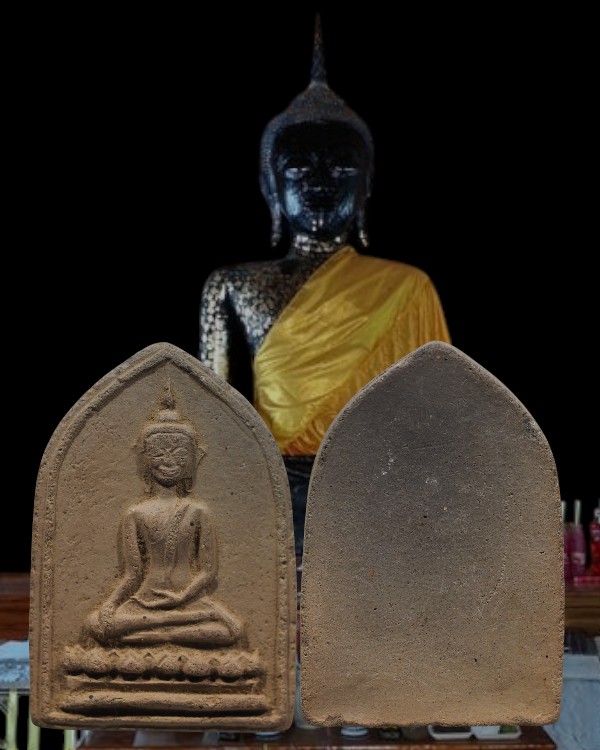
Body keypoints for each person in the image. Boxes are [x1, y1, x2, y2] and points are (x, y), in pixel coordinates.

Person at [198, 17, 451, 555]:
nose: (318, 182)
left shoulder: (408, 287)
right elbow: (214, 422)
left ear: (367, 186)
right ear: (270, 186)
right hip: (270, 490)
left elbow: (435, 416)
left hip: (375, 486)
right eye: (298, 168)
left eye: (341, 168)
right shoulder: (231, 286)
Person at [87, 383, 243, 646]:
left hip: (189, 600)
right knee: (97, 623)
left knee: (231, 631)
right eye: (158, 454)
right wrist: (111, 604)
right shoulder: (136, 514)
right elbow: (133, 574)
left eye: (179, 454)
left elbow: (207, 571)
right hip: (145, 601)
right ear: (146, 460)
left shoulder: (197, 512)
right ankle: (171, 629)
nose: (168, 461)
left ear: (192, 460)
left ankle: (155, 634)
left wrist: (181, 597)